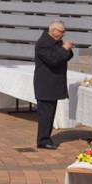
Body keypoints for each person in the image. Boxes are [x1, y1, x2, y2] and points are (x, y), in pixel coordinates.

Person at [33, 20, 74, 150]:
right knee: (45, 115)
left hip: (52, 85)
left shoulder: (55, 42)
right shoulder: (43, 43)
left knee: (50, 114)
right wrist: (63, 49)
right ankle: (43, 140)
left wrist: (65, 50)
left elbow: (64, 57)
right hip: (46, 85)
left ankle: (46, 138)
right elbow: (53, 59)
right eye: (61, 31)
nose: (64, 34)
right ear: (53, 31)